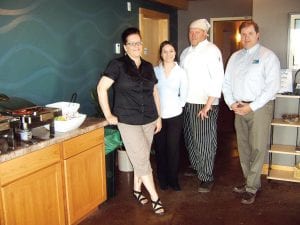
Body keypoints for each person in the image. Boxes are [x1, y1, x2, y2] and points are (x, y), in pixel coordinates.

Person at [97, 27, 164, 215]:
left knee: (140, 159)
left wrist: (159, 117)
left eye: (138, 42)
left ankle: (136, 190)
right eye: (132, 43)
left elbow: (154, 92)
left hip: (149, 119)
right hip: (128, 121)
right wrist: (108, 115)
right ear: (125, 47)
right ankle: (155, 198)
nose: (136, 46)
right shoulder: (116, 65)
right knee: (142, 159)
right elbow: (101, 88)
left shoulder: (149, 66)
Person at [222, 21, 281, 204]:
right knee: (244, 147)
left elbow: (272, 87)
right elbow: (226, 84)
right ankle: (250, 181)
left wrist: (251, 106)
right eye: (243, 34)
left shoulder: (268, 56)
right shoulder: (235, 57)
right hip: (238, 108)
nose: (246, 37)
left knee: (257, 147)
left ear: (258, 35)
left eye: (250, 33)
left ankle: (252, 187)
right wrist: (231, 103)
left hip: (259, 108)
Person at [180, 19, 224, 193]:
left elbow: (217, 79)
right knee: (190, 138)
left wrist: (208, 105)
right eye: (191, 31)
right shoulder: (185, 52)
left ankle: (206, 176)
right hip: (187, 102)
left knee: (204, 140)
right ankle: (197, 165)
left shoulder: (212, 51)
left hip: (204, 104)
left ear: (205, 33)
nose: (193, 35)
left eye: (197, 32)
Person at [153, 41, 188, 191]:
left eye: (171, 51)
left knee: (173, 148)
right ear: (161, 54)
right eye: (165, 51)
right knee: (160, 149)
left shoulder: (181, 72)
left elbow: (184, 92)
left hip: (175, 115)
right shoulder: (154, 71)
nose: (168, 54)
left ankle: (173, 180)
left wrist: (178, 105)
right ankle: (162, 180)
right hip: (158, 116)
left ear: (175, 53)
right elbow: (151, 93)